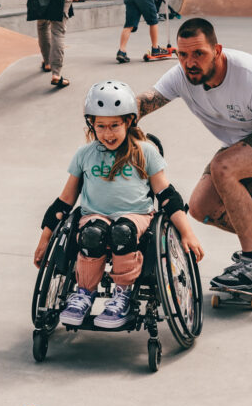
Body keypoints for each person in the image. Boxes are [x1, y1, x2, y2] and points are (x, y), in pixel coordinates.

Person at [135, 17, 252, 293]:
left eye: (199, 54)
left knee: (223, 167)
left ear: (217, 51)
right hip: (244, 139)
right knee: (201, 208)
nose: (190, 62)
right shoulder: (182, 76)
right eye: (182, 55)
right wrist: (111, 116)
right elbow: (145, 102)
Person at [34, 80, 204, 328]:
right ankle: (84, 294)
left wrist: (187, 233)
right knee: (92, 234)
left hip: (137, 217)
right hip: (94, 216)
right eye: (100, 126)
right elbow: (64, 202)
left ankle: (122, 296)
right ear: (91, 124)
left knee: (122, 231)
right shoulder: (84, 155)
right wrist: (44, 240)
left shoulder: (145, 152)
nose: (108, 133)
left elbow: (167, 196)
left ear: (129, 122)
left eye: (115, 125)